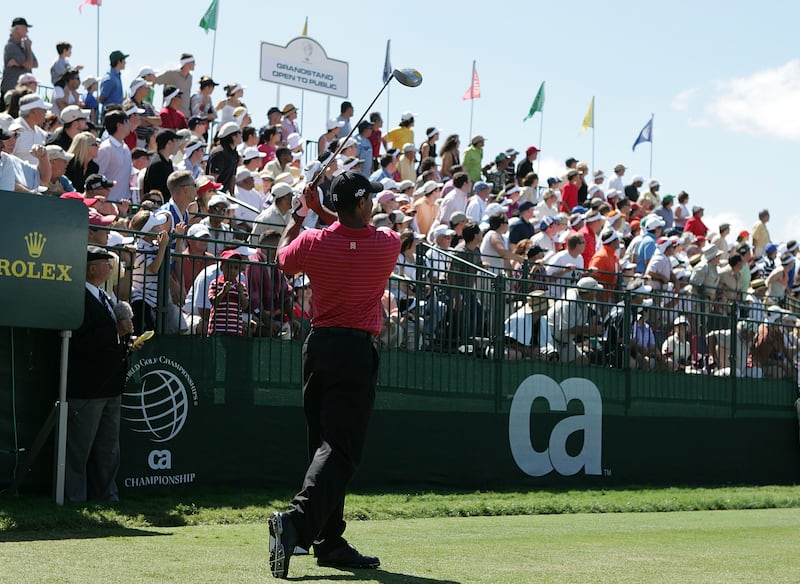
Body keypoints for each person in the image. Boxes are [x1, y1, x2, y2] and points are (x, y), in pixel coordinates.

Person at [270, 171, 399, 578]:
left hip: (319, 348)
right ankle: (295, 523)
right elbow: (356, 235)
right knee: (341, 450)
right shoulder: (387, 244)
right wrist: (324, 210)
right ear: (361, 204)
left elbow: (283, 259)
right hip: (355, 352)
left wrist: (300, 215)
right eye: (369, 199)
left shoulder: (312, 241)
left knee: (324, 449)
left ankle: (329, 541)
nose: (374, 203)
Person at [65, 245, 129, 503]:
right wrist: (117, 332)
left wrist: (126, 341)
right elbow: (80, 339)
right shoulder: (77, 297)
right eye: (107, 264)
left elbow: (110, 337)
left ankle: (107, 496)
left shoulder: (107, 297)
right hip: (87, 387)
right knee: (78, 449)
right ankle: (74, 499)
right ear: (91, 268)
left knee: (108, 449)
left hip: (111, 385)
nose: (111, 268)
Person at [2, 17, 37, 98]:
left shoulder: (23, 46)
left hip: (22, 91)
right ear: (17, 29)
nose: (27, 31)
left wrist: (19, 64)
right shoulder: (11, 46)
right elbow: (29, 64)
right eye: (25, 28)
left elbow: (36, 64)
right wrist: (28, 48)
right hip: (11, 91)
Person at [98, 50, 128, 118]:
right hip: (110, 116)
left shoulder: (116, 76)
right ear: (118, 61)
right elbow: (102, 99)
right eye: (123, 60)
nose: (125, 62)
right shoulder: (110, 78)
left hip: (117, 114)